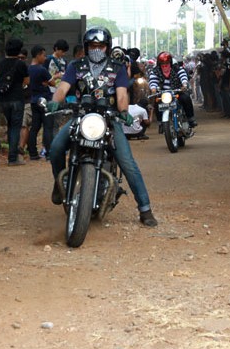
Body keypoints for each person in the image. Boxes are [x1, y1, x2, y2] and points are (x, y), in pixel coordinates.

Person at [47, 26, 157, 227]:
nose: (96, 49)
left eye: (101, 46)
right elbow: (62, 88)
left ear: (108, 46)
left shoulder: (117, 68)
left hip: (109, 119)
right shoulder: (76, 66)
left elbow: (122, 94)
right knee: (55, 148)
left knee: (128, 163)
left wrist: (124, 111)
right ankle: (60, 184)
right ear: (86, 46)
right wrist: (55, 101)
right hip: (81, 117)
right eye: (92, 45)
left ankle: (145, 209)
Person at [0, 38, 29, 166]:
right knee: (15, 127)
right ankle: (13, 158)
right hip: (17, 98)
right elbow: (26, 81)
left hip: (4, 98)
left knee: (10, 125)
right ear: (19, 50)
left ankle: (12, 155)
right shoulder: (21, 64)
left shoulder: (1, 63)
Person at [148, 51, 197, 127]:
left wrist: (184, 84)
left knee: (186, 98)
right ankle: (160, 122)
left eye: (166, 63)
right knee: (157, 102)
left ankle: (190, 118)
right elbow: (153, 81)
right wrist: (153, 89)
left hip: (177, 91)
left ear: (170, 63)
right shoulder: (155, 71)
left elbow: (183, 75)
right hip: (163, 93)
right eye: (162, 64)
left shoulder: (177, 69)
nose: (165, 66)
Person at [27, 45, 55, 160]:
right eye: (43, 55)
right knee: (48, 127)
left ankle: (32, 152)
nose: (45, 57)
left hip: (34, 100)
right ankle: (49, 152)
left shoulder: (28, 69)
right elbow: (53, 83)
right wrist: (48, 82)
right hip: (45, 99)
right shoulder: (42, 69)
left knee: (35, 127)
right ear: (38, 55)